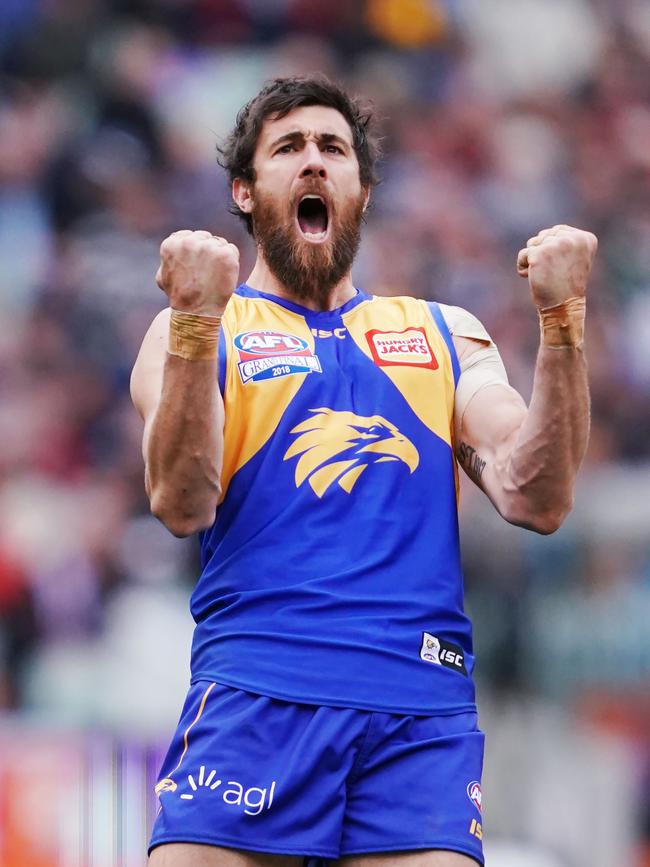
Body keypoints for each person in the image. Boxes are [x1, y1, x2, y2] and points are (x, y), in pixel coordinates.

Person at [130, 75, 596, 867]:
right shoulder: (206, 328)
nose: (314, 163)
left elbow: (535, 493)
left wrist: (561, 326)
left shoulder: (444, 334)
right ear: (245, 192)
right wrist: (194, 325)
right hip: (258, 693)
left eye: (333, 149)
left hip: (418, 713)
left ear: (363, 190)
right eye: (289, 148)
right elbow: (180, 501)